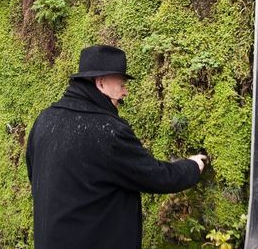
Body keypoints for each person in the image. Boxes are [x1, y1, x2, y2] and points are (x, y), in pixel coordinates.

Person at [26, 45, 207, 249]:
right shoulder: (107, 131)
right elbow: (155, 176)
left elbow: (34, 175)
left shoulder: (44, 120)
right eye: (121, 85)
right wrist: (192, 167)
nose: (125, 92)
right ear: (101, 83)